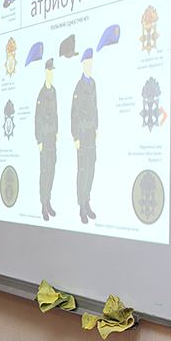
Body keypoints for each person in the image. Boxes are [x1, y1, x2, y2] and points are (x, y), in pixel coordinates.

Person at [71, 49, 98, 224]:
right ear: (83, 65)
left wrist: (97, 127)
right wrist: (76, 136)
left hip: (91, 136)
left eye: (91, 63)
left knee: (90, 170)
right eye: (87, 63)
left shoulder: (93, 84)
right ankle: (81, 205)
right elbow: (74, 113)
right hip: (82, 135)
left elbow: (95, 108)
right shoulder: (79, 88)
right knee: (82, 171)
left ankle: (87, 202)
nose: (90, 66)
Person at [35, 58, 58, 221]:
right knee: (44, 172)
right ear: (45, 72)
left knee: (51, 170)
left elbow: (55, 114)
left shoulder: (53, 91)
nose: (51, 74)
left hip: (52, 139)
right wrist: (39, 140)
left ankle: (48, 200)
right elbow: (37, 118)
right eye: (49, 71)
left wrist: (56, 132)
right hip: (44, 139)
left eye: (52, 71)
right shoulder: (42, 95)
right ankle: (43, 204)